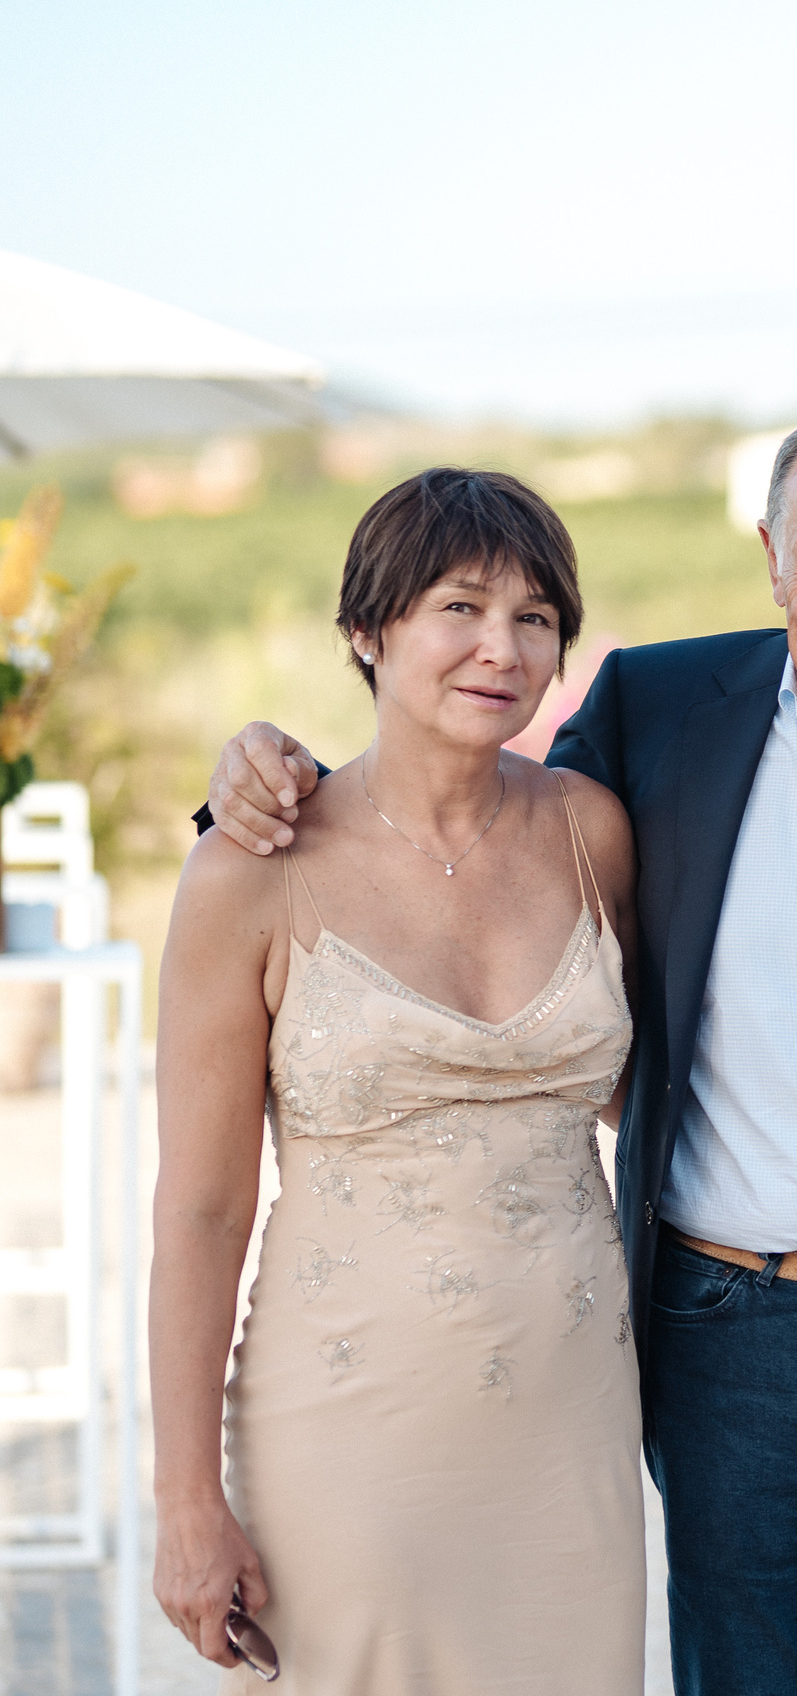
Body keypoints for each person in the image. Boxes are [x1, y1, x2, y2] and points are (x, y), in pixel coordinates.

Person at [196, 397, 797, 1696]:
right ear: (769, 554)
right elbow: (455, 801)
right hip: (728, 1329)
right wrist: (257, 774)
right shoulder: (657, 715)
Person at [153, 468, 645, 1691]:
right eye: (460, 607)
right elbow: (202, 1211)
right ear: (367, 631)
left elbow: (669, 1098)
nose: (501, 648)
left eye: (536, 618)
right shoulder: (251, 867)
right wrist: (183, 1501)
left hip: (571, 1423)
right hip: (347, 1435)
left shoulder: (594, 831)